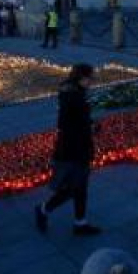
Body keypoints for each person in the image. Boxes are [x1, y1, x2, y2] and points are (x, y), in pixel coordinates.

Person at [36, 63, 101, 236]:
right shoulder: (74, 97)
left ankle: (80, 223)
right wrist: (89, 128)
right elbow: (67, 124)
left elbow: (78, 119)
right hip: (74, 150)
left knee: (80, 187)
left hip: (76, 147)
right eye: (90, 78)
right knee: (72, 188)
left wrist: (89, 124)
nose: (92, 81)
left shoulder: (74, 93)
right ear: (81, 78)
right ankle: (43, 209)